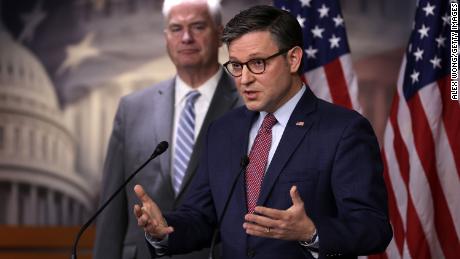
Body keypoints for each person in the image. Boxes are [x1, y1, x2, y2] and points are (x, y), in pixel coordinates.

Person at [134, 5, 392, 259]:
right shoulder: (223, 131)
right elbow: (201, 217)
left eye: (257, 63)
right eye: (236, 65)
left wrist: (312, 232)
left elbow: (374, 228)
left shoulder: (344, 130)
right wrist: (163, 230)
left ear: (293, 59)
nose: (244, 79)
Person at [93, 0, 242, 258]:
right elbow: (112, 211)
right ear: (166, 38)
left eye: (197, 26)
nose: (186, 37)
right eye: (176, 29)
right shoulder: (132, 108)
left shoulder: (248, 104)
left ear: (219, 35)